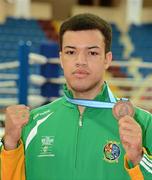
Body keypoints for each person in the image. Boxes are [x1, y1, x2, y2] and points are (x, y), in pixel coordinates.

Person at [0, 13, 152, 180]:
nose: (81, 61)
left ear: (107, 60)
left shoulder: (143, 124)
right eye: (71, 52)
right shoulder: (31, 124)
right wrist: (9, 145)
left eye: (92, 53)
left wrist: (138, 158)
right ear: (61, 58)